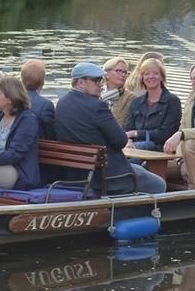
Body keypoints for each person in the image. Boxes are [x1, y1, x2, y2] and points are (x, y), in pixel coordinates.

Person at [55, 62, 166, 194]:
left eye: (101, 80)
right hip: (107, 176)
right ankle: (132, 213)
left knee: (139, 169)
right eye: (96, 81)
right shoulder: (97, 106)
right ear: (81, 83)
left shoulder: (61, 104)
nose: (101, 84)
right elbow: (120, 140)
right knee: (158, 184)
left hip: (75, 175)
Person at [123, 58, 181, 151]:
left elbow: (166, 133)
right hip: (134, 148)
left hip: (158, 149)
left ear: (162, 77)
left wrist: (136, 133)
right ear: (142, 78)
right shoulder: (136, 102)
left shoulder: (173, 101)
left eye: (155, 73)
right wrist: (128, 140)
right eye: (146, 74)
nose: (151, 76)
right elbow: (127, 129)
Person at [20, 59, 55, 139]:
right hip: (40, 148)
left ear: (22, 80)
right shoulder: (45, 105)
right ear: (42, 82)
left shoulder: (12, 99)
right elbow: (51, 134)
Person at [100, 56, 134, 126]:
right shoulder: (95, 92)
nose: (123, 75)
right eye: (118, 71)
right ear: (106, 74)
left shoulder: (130, 98)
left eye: (125, 72)